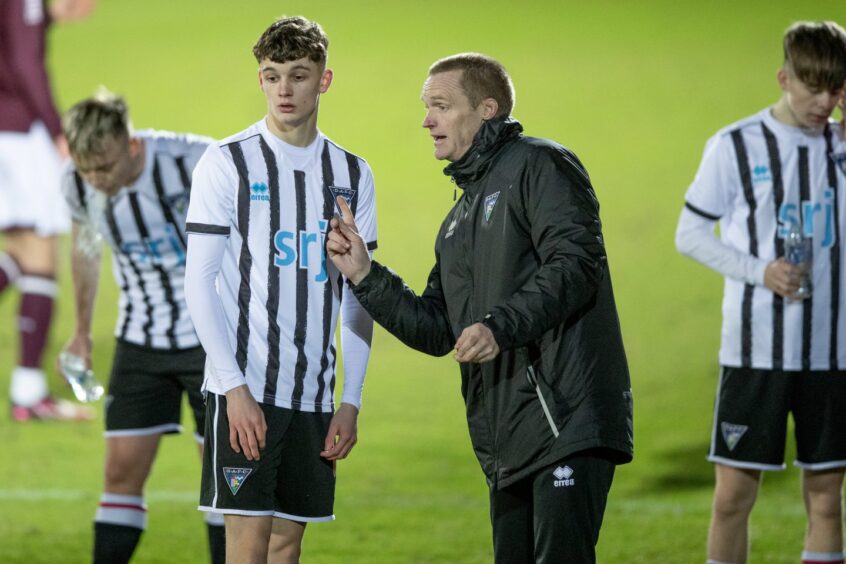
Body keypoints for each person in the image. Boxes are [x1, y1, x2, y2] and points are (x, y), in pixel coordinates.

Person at [327, 53, 633, 563]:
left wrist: (498, 326)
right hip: (507, 435)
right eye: (427, 107)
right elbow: (437, 329)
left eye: (441, 106)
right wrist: (364, 274)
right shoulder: (458, 219)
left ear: (487, 109)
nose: (427, 120)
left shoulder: (541, 164)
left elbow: (576, 263)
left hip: (565, 416)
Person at [183, 16, 377, 564]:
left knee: (287, 544)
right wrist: (233, 389)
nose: (285, 89)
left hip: (314, 394)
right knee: (245, 548)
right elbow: (199, 283)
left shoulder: (353, 174)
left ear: (325, 79)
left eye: (298, 74)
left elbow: (359, 295)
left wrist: (350, 399)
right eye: (272, 76)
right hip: (247, 387)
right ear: (261, 80)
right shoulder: (228, 162)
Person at [675, 21, 846, 564]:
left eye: (835, 88)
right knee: (732, 499)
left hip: (833, 352)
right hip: (755, 352)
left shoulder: (842, 148)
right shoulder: (734, 145)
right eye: (812, 86)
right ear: (783, 78)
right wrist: (759, 271)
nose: (824, 102)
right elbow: (690, 233)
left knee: (827, 500)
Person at [60, 90, 225, 564]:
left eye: (105, 168)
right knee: (119, 473)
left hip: (213, 344)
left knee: (222, 477)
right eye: (87, 169)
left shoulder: (197, 162)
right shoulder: (77, 182)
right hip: (140, 340)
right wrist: (81, 331)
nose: (97, 180)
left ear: (131, 146)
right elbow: (86, 250)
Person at [0, 0, 95, 421]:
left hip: (10, 130)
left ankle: (29, 392)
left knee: (25, 253)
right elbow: (24, 62)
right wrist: (59, 132)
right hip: (17, 135)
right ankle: (28, 394)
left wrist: (51, 15)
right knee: (39, 253)